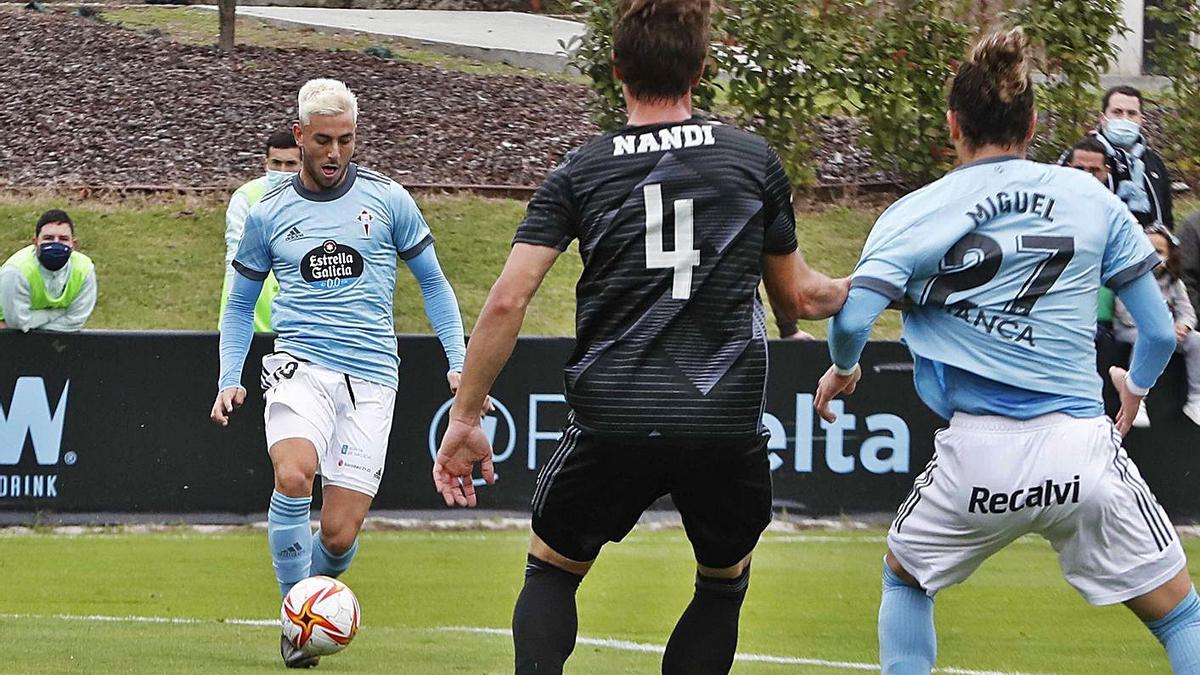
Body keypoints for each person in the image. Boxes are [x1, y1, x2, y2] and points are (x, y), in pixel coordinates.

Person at [432, 1, 847, 673]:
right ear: (702, 68)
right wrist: (875, 285)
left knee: (553, 570)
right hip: (722, 420)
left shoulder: (582, 171)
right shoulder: (751, 162)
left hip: (616, 415)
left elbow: (509, 298)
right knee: (722, 581)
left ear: (616, 68)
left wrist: (468, 413)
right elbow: (799, 297)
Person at [814, 29, 1200, 674]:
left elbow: (851, 317)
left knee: (905, 579)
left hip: (978, 456)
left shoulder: (915, 210)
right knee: (1180, 614)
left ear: (952, 125)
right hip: (1080, 446)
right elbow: (1160, 331)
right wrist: (1134, 388)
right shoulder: (1091, 198)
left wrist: (846, 368)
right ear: (1034, 122)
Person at [209, 78, 467, 668]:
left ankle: (312, 610)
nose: (333, 153)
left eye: (345, 141)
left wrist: (458, 359)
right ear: (299, 136)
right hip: (300, 368)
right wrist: (231, 375)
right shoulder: (266, 212)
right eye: (322, 140)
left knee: (339, 535)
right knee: (295, 475)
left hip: (373, 379)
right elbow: (239, 303)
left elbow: (434, 282)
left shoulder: (389, 200)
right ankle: (294, 619)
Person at [1113, 224, 1200, 428]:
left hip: (1168, 335)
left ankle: (1196, 398)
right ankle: (1136, 396)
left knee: (1196, 341)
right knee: (1146, 338)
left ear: (1170, 255)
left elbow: (1187, 312)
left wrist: (1183, 326)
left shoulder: (1174, 283)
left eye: (1159, 252)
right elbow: (1125, 314)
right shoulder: (1130, 278)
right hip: (1132, 331)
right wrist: (1159, 328)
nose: (1153, 255)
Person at [218, 130, 302, 332]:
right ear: (266, 163)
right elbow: (235, 255)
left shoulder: (316, 201)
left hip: (297, 320)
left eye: (290, 164)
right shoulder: (247, 197)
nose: (282, 170)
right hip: (251, 317)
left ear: (303, 164)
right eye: (276, 163)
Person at [1092, 85, 1175, 230]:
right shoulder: (1084, 156)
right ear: (1102, 118)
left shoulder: (1153, 162)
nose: (1125, 119)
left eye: (1131, 114)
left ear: (1141, 120)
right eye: (1117, 112)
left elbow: (1166, 214)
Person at [0, 209, 97, 332]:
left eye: (63, 239)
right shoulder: (16, 271)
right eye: (48, 238)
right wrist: (58, 314)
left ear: (74, 245)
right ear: (35, 243)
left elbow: (75, 320)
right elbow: (17, 323)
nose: (56, 244)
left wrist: (34, 327)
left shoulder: (85, 269)